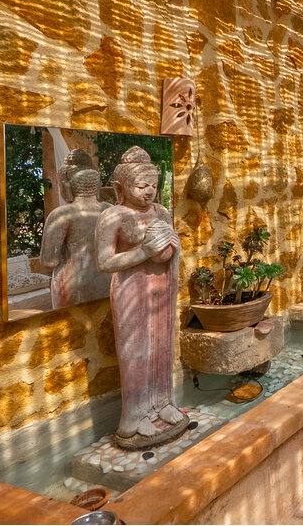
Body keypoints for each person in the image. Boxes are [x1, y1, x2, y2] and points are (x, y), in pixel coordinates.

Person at [95, 146, 186, 449]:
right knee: (136, 351)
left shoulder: (161, 212)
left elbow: (169, 245)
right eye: (141, 186)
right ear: (120, 188)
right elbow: (104, 263)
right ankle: (135, 416)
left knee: (161, 345)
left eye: (153, 186)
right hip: (132, 289)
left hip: (161, 285)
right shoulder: (113, 216)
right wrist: (144, 252)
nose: (149, 192)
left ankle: (163, 403)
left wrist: (172, 246)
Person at [40, 167, 111, 310]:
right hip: (106, 280)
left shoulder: (62, 214)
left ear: (69, 187)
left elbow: (48, 260)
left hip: (71, 283)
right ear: (97, 187)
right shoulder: (109, 210)